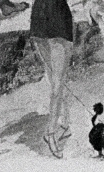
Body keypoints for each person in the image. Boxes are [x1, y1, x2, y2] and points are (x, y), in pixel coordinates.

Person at [30, 0, 74, 159]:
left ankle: (60, 126)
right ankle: (53, 131)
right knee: (57, 81)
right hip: (45, 21)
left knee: (57, 81)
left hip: (47, 19)